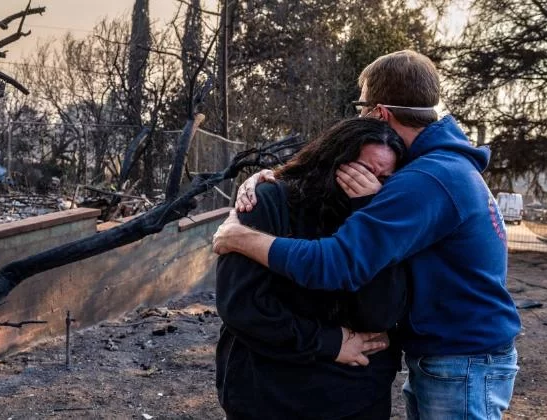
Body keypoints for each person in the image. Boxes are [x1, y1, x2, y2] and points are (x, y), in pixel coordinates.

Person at [212, 50, 521, 420]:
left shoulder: (424, 179)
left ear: (379, 112)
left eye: (362, 109)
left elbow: (339, 263)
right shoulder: (438, 166)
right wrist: (273, 179)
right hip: (456, 356)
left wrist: (240, 238)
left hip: (461, 361)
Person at [216, 118, 408, 419]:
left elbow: (380, 313)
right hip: (271, 395)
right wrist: (329, 342)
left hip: (356, 397)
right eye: (362, 171)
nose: (371, 184)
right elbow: (241, 305)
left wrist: (370, 212)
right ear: (333, 160)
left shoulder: (385, 218)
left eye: (384, 178)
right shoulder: (269, 201)